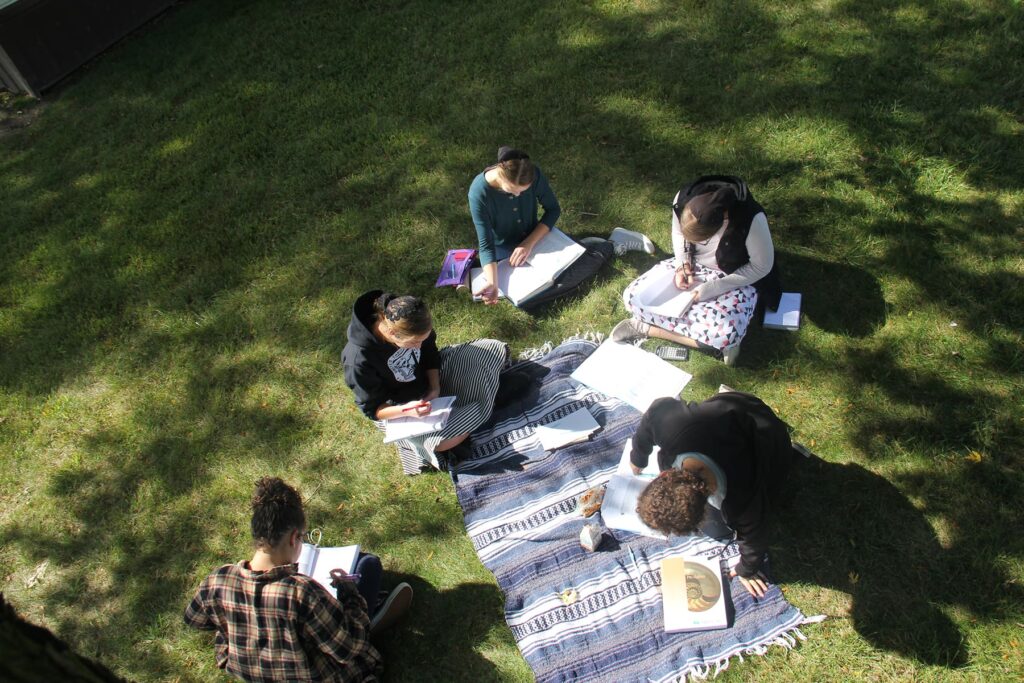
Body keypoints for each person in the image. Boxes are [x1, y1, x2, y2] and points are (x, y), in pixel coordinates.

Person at [184, 477, 412, 682]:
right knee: (367, 565)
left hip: (251, 673)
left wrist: (234, 625)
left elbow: (194, 619)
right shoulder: (302, 592)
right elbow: (349, 648)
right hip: (319, 674)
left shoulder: (219, 580)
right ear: (294, 538)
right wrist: (349, 594)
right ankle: (373, 618)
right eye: (303, 537)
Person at [631, 392, 803, 598]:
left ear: (705, 509)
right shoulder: (670, 426)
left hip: (769, 442)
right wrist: (638, 456)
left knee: (718, 532)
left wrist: (746, 571)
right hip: (738, 407)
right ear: (666, 475)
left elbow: (755, 538)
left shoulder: (742, 499)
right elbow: (654, 411)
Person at [611, 175, 782, 365]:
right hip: (694, 269)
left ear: (722, 221)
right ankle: (700, 340)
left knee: (725, 333)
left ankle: (646, 328)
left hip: (733, 277)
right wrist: (682, 265)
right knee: (632, 296)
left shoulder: (752, 219)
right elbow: (678, 234)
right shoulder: (682, 200)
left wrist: (716, 287)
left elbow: (761, 266)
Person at [468, 146, 655, 309]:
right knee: (529, 300)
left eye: (523, 191)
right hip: (506, 254)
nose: (517, 195)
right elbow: (486, 245)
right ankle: (583, 247)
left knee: (567, 276)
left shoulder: (533, 174)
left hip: (539, 239)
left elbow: (553, 210)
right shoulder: (479, 193)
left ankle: (613, 243)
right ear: (500, 174)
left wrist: (529, 243)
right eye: (512, 190)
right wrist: (492, 283)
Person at [342, 290, 507, 474]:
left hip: (430, 385)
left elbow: (430, 355)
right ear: (392, 333)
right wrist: (408, 410)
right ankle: (485, 399)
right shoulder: (358, 361)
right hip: (402, 409)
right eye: (413, 343)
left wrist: (435, 387)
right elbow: (373, 409)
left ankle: (476, 407)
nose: (419, 346)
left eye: (423, 339)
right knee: (444, 442)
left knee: (489, 348)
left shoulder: (409, 316)